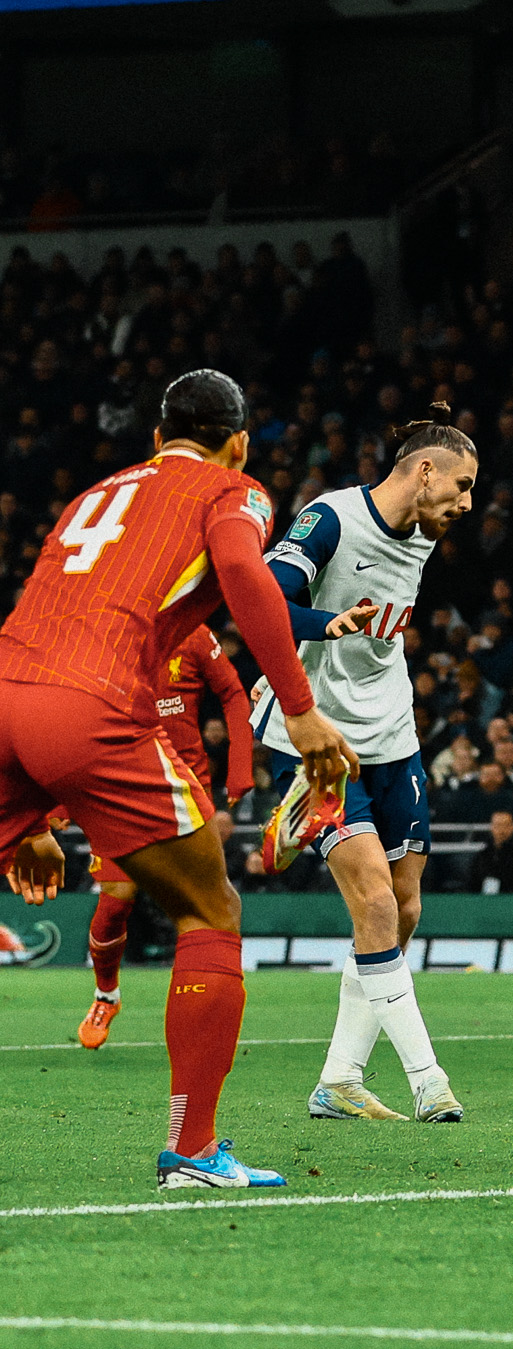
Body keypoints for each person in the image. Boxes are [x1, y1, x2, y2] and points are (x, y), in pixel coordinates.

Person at [0, 368, 355, 1191]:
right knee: (210, 907)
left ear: (156, 438)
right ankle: (193, 1151)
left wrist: (29, 820)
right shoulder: (232, 488)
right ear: (237, 441)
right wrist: (298, 710)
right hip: (92, 706)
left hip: (10, 695)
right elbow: (244, 574)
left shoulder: (96, 493)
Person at [255, 402, 476, 1123]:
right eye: (462, 484)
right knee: (375, 904)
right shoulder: (330, 520)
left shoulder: (423, 528)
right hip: (321, 739)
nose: (467, 503)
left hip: (393, 733)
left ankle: (339, 1077)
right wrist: (325, 621)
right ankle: (428, 1079)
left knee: (404, 910)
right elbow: (263, 602)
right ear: (423, 473)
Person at [76, 624, 259, 1049]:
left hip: (185, 790)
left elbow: (233, 693)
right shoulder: (113, 634)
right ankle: (107, 995)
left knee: (203, 907)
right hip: (121, 789)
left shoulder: (194, 634)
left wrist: (239, 766)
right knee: (112, 906)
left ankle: (208, 1010)